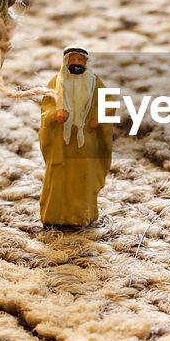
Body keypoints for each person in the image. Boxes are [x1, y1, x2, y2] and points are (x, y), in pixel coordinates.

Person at [39, 45, 112, 226]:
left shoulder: (95, 83)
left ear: (86, 62)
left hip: (86, 141)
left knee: (83, 179)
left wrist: (98, 118)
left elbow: (109, 102)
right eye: (74, 59)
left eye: (81, 60)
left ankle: (81, 215)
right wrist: (55, 114)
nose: (77, 63)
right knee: (58, 178)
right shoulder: (56, 83)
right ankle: (54, 216)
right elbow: (46, 108)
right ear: (67, 61)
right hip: (61, 142)